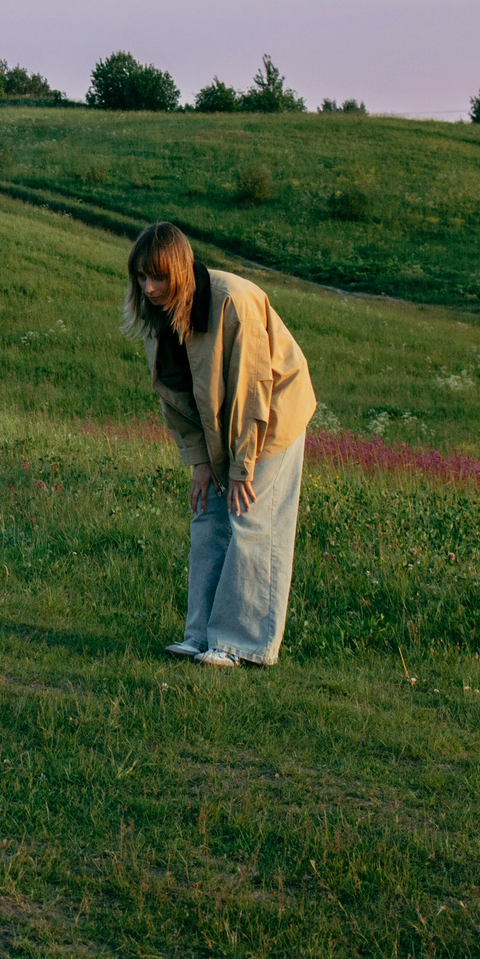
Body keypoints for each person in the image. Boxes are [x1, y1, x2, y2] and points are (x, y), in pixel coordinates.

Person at [127, 222, 318, 667]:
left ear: (180, 270)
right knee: (207, 515)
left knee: (250, 516)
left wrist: (239, 469)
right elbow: (173, 394)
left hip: (270, 416)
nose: (149, 287)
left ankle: (241, 643)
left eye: (158, 277)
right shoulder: (155, 314)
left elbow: (253, 390)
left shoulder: (232, 300)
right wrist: (199, 461)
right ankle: (200, 636)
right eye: (141, 276)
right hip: (220, 422)